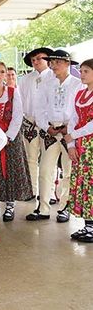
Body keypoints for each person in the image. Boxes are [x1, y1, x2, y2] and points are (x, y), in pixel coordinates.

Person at [27, 50, 84, 222]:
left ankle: (64, 207)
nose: (53, 65)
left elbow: (79, 109)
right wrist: (46, 127)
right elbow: (39, 108)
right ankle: (43, 207)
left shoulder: (77, 84)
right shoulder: (46, 83)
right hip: (51, 131)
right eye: (52, 62)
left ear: (68, 64)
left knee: (68, 171)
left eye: (58, 62)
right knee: (45, 169)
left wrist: (70, 128)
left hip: (69, 132)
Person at [0, 62, 32, 221]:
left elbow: (18, 115)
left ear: (6, 75)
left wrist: (8, 136)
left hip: (11, 137)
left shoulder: (12, 92)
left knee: (11, 169)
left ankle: (10, 205)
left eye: (2, 71)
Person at [19, 47, 54, 200]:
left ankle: (49, 193)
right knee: (30, 157)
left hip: (49, 123)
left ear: (48, 59)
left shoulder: (54, 77)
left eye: (40, 58)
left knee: (49, 160)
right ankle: (32, 190)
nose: (36, 62)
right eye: (33, 60)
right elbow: (20, 102)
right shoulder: (25, 79)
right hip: (30, 121)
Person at [65, 58, 93, 242]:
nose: (81, 74)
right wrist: (71, 144)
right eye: (81, 71)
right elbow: (73, 119)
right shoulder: (80, 94)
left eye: (85, 71)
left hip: (89, 144)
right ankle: (88, 224)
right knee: (82, 183)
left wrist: (74, 136)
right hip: (81, 144)